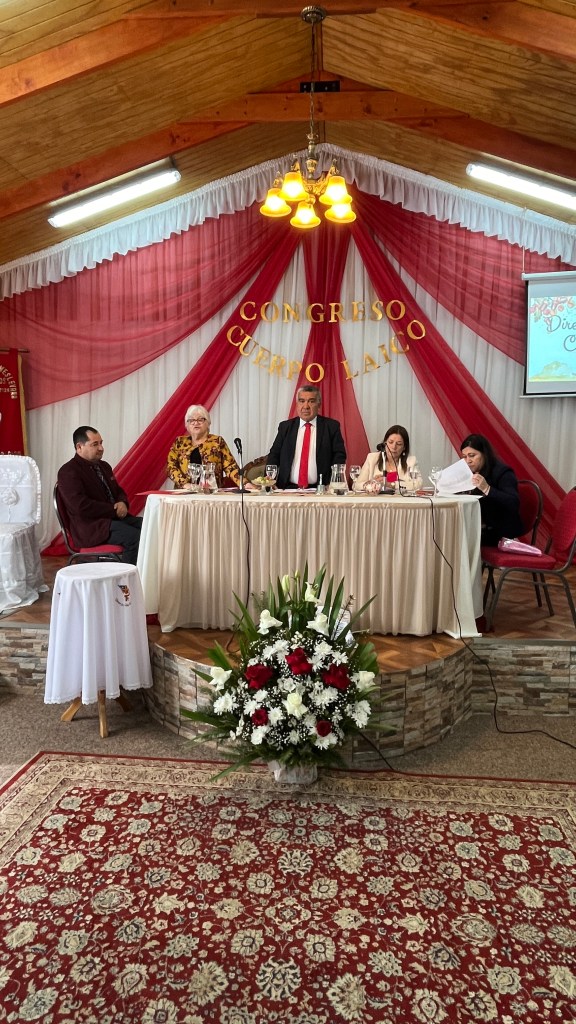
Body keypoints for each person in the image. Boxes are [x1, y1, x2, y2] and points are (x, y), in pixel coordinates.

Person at [57, 426, 142, 564]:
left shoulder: (104, 466)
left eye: (101, 443)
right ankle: (127, 577)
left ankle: (146, 573)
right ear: (79, 447)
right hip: (90, 528)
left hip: (111, 520)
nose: (101, 448)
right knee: (135, 537)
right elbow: (80, 506)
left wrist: (122, 503)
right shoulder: (68, 471)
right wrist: (113, 510)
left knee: (149, 526)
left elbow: (118, 491)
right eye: (95, 444)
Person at [266, 385, 347, 489]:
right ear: (297, 404)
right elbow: (274, 455)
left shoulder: (331, 426)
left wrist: (334, 482)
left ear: (319, 405)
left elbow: (339, 456)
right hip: (288, 488)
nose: (306, 406)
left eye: (311, 401)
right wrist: (268, 481)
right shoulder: (285, 427)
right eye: (301, 401)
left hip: (321, 489)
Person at [460, 433, 523, 545]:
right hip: (477, 528)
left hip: (499, 532)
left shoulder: (503, 472)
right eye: (464, 457)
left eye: (472, 455)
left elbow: (513, 503)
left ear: (484, 454)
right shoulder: (469, 472)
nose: (468, 461)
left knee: (455, 539)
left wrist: (487, 488)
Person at [167, 405, 240, 489]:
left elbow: (231, 467)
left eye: (200, 419)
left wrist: (244, 483)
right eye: (192, 420)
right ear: (187, 425)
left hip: (211, 492)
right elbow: (171, 467)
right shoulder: (179, 442)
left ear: (208, 423)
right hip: (185, 492)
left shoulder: (217, 441)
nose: (196, 423)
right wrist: (185, 484)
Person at [353, 424, 422, 493]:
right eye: (390, 442)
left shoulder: (411, 461)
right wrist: (372, 483)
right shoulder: (372, 458)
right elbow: (357, 485)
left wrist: (392, 484)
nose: (394, 447)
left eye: (399, 444)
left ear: (404, 447)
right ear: (385, 443)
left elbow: (418, 485)